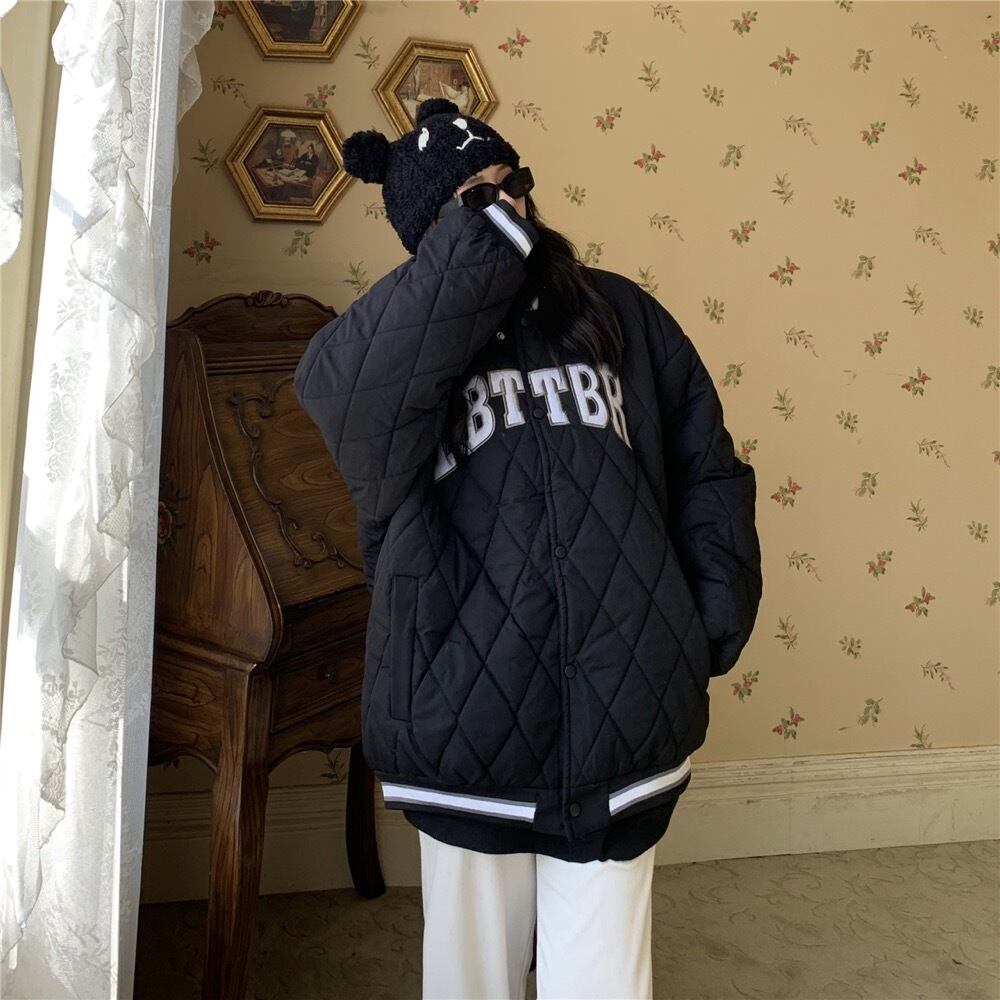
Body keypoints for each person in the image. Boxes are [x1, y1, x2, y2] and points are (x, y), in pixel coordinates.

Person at [294, 98, 763, 999]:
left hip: (623, 706)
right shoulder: (390, 349)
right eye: (472, 201)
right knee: (471, 981)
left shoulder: (621, 312)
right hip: (464, 713)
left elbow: (708, 469)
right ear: (430, 235)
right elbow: (337, 397)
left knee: (605, 981)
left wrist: (703, 620)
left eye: (511, 185)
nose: (506, 208)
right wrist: (476, 260)